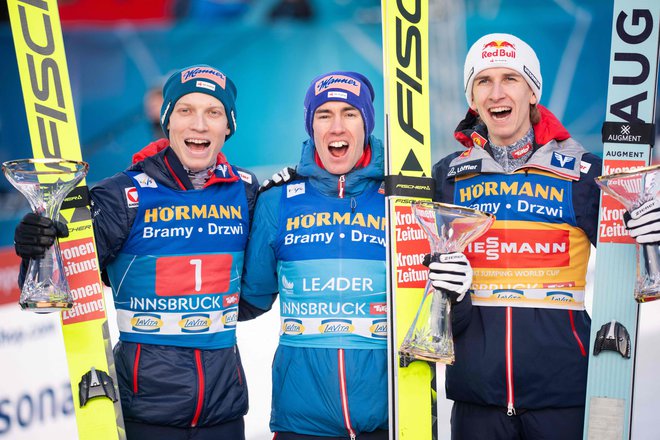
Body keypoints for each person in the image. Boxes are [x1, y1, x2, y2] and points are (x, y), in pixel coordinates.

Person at [14, 64, 259, 440]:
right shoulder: (122, 195)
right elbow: (60, 282)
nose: (199, 124)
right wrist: (38, 246)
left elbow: (254, 293)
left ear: (228, 126)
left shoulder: (245, 191)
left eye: (213, 112)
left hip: (223, 412)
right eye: (185, 110)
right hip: (147, 413)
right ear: (167, 121)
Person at [427, 33, 603, 439]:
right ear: (472, 99)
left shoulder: (582, 173)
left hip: (562, 395)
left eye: (510, 78)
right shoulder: (447, 176)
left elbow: (637, 271)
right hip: (477, 398)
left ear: (532, 91)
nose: (496, 92)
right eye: (483, 82)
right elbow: (423, 282)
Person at [239, 71, 388, 439]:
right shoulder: (278, 200)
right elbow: (250, 296)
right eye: (324, 115)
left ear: (367, 123)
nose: (337, 127)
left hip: (391, 417)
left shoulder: (399, 196)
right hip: (301, 422)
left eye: (350, 114)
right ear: (311, 126)